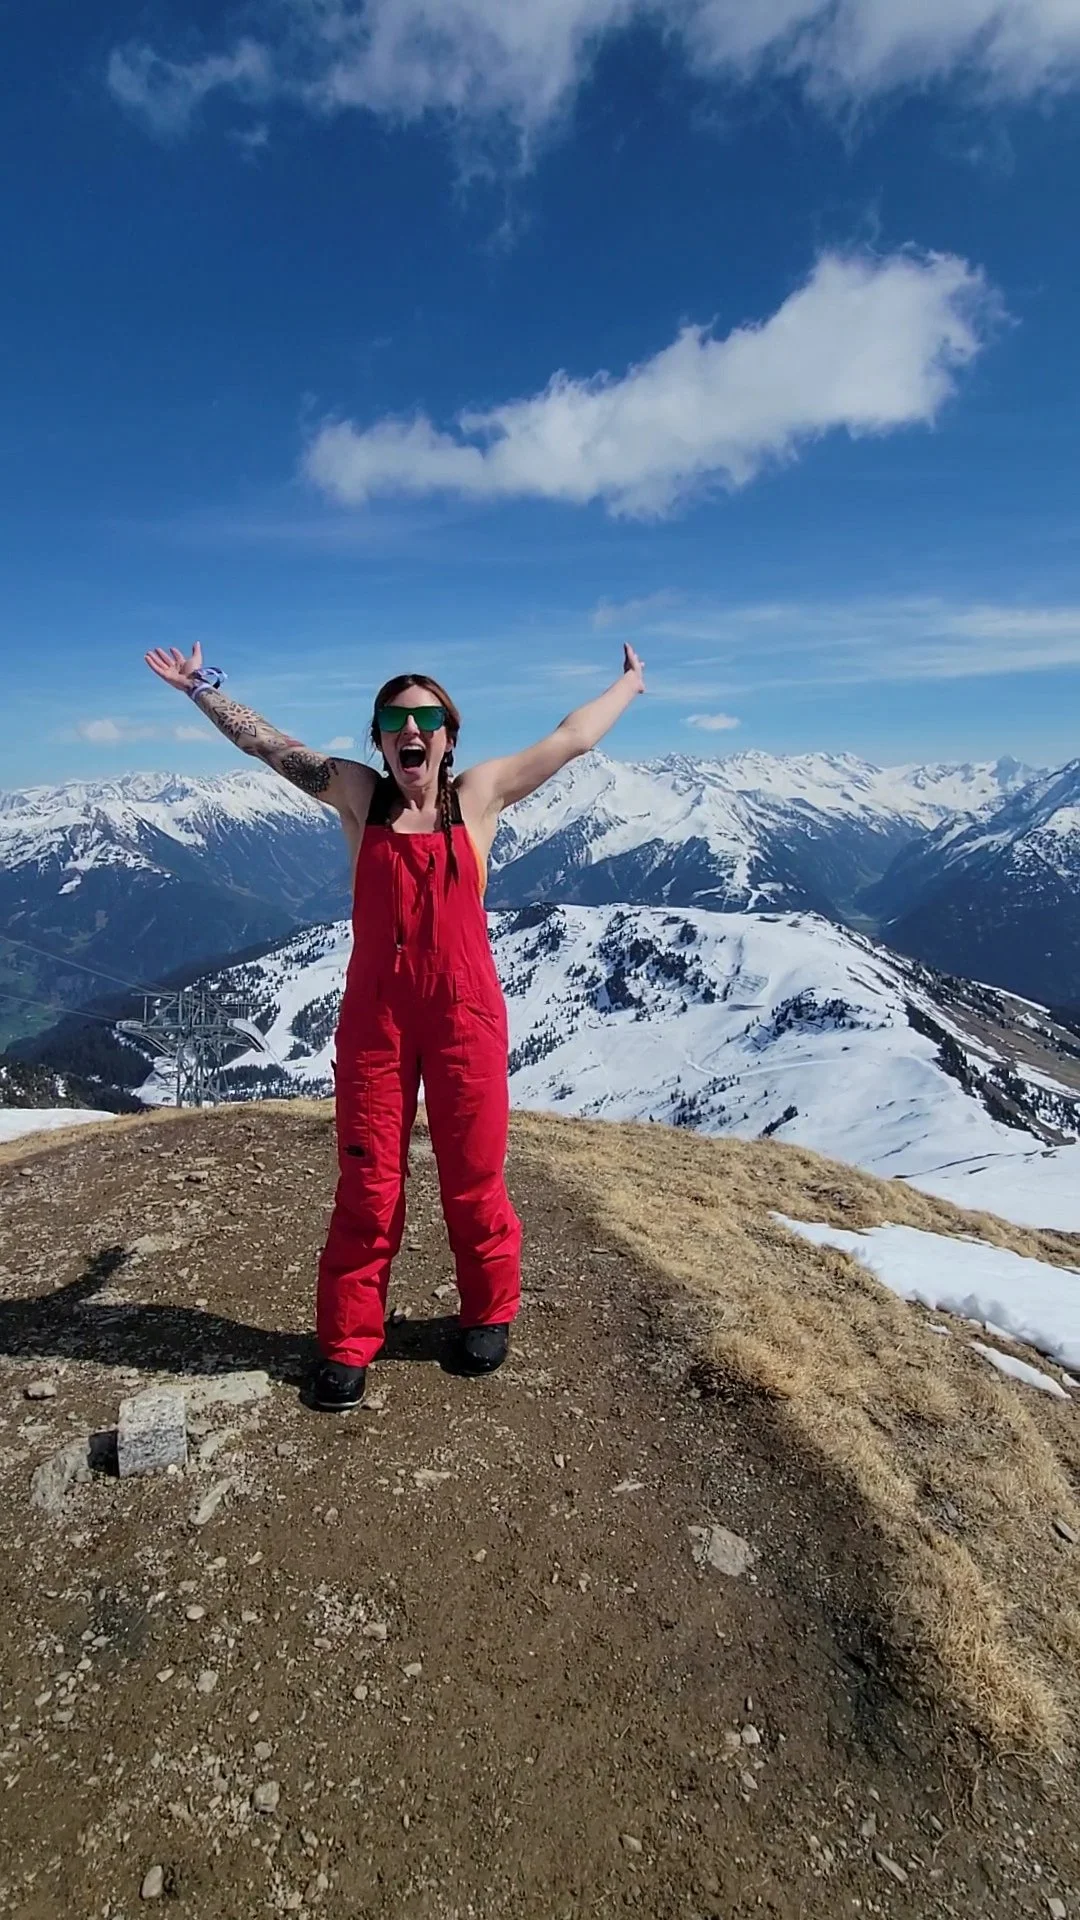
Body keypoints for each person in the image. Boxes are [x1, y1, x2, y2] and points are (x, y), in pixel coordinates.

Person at [144, 640, 646, 1408]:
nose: (412, 731)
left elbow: (571, 738)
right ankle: (348, 1341)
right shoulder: (356, 794)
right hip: (375, 1018)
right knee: (369, 1183)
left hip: (464, 1014)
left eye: (428, 719)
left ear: (449, 735)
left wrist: (631, 684)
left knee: (473, 1176)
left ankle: (489, 1311)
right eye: (394, 719)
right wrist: (202, 690)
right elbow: (269, 743)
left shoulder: (479, 795)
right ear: (379, 738)